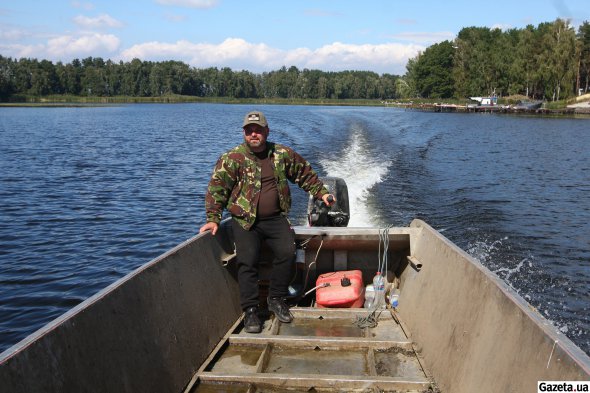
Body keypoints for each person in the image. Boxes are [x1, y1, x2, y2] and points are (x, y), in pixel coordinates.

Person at [199, 110, 335, 333]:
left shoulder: (281, 154)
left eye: (258, 130)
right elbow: (217, 190)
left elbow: (304, 173)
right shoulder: (232, 158)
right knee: (247, 261)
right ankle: (251, 311)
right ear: (244, 133)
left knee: (287, 251)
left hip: (275, 218)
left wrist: (322, 193)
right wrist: (213, 219)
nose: (254, 134)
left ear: (266, 131)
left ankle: (276, 298)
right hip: (245, 221)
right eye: (249, 130)